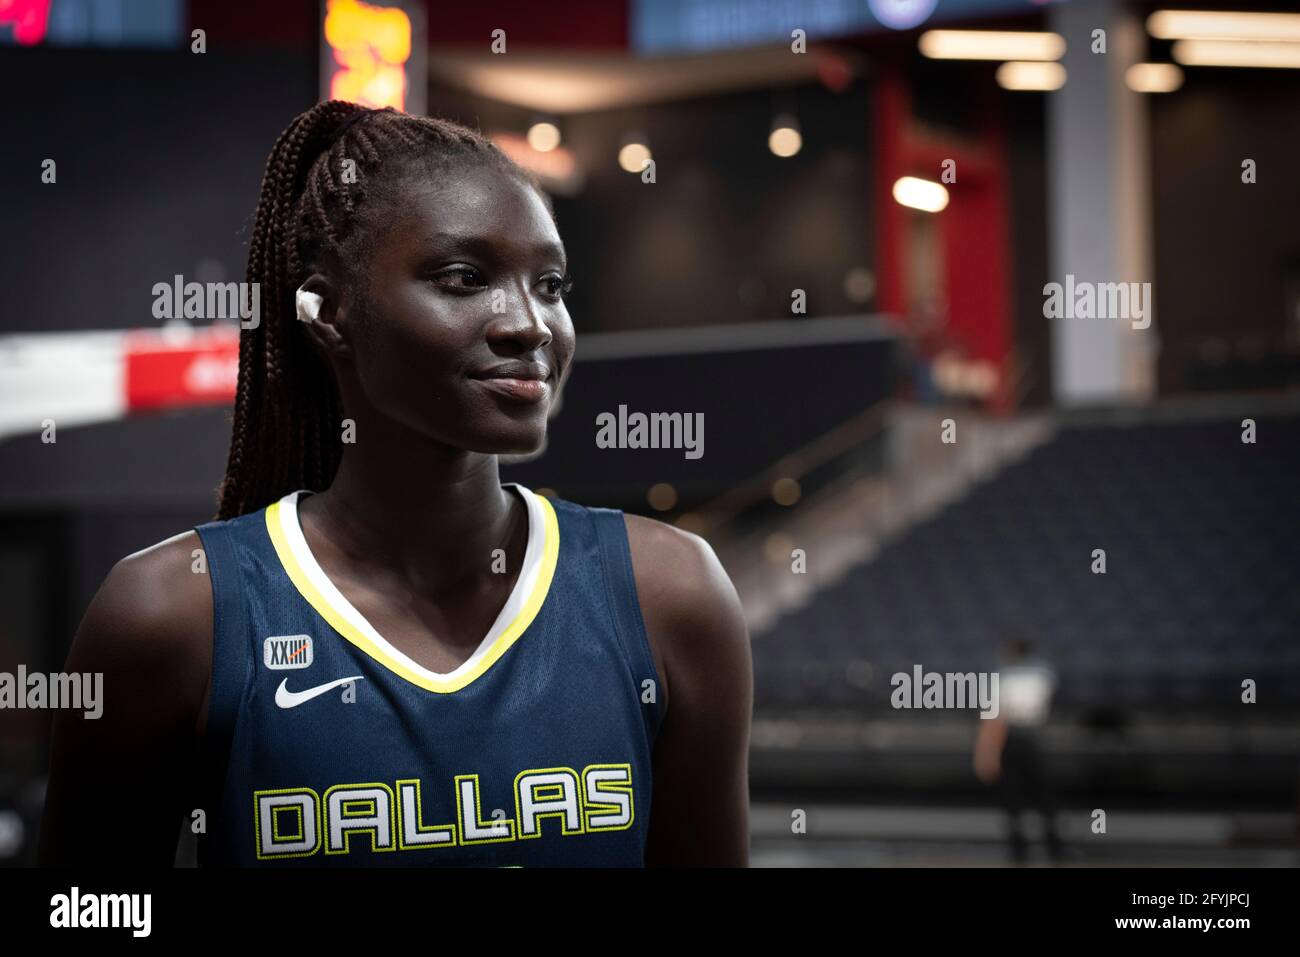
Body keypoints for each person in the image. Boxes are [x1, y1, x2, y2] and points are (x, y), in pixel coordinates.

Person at [38, 102, 753, 867]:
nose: (530, 324)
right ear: (329, 311)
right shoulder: (171, 615)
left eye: (549, 284)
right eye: (464, 277)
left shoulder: (671, 596)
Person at [974, 637, 1063, 864]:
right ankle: (1054, 848)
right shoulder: (1043, 674)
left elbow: (994, 719)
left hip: (1011, 739)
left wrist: (987, 753)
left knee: (1013, 797)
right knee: (1043, 797)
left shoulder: (1002, 677)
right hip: (1035, 739)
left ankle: (1020, 851)